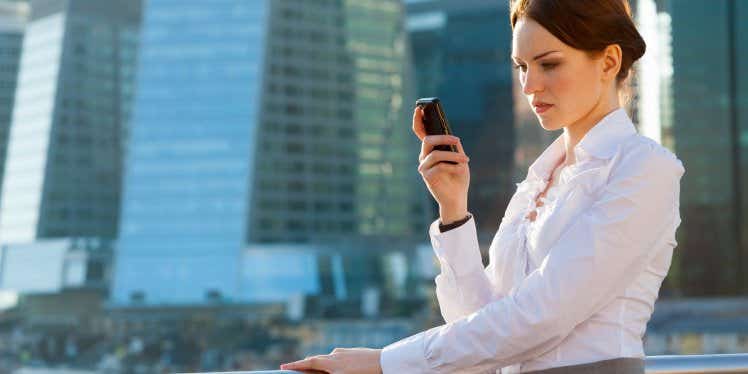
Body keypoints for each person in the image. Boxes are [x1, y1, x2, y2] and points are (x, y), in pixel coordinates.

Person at [280, 0, 684, 372]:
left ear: (609, 61)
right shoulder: (538, 181)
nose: (528, 86)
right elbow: (478, 326)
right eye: (521, 66)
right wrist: (453, 210)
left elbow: (541, 315)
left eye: (549, 64)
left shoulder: (646, 169)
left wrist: (385, 363)